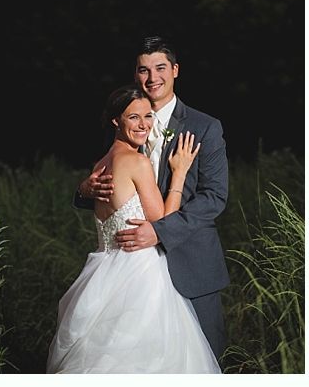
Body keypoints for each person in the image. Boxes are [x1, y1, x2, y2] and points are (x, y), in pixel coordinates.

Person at [74, 37, 230, 360]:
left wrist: (160, 231)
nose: (152, 77)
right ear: (136, 74)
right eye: (143, 70)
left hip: (192, 266)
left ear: (175, 70)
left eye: (160, 68)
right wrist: (84, 191)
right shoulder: (127, 122)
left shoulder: (205, 127)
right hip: (133, 278)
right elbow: (114, 190)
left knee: (201, 362)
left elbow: (215, 197)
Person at [48, 84, 219, 373]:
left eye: (148, 116)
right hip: (141, 273)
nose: (144, 125)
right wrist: (178, 174)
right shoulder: (137, 162)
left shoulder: (99, 165)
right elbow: (162, 219)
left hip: (104, 272)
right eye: (133, 118)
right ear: (116, 121)